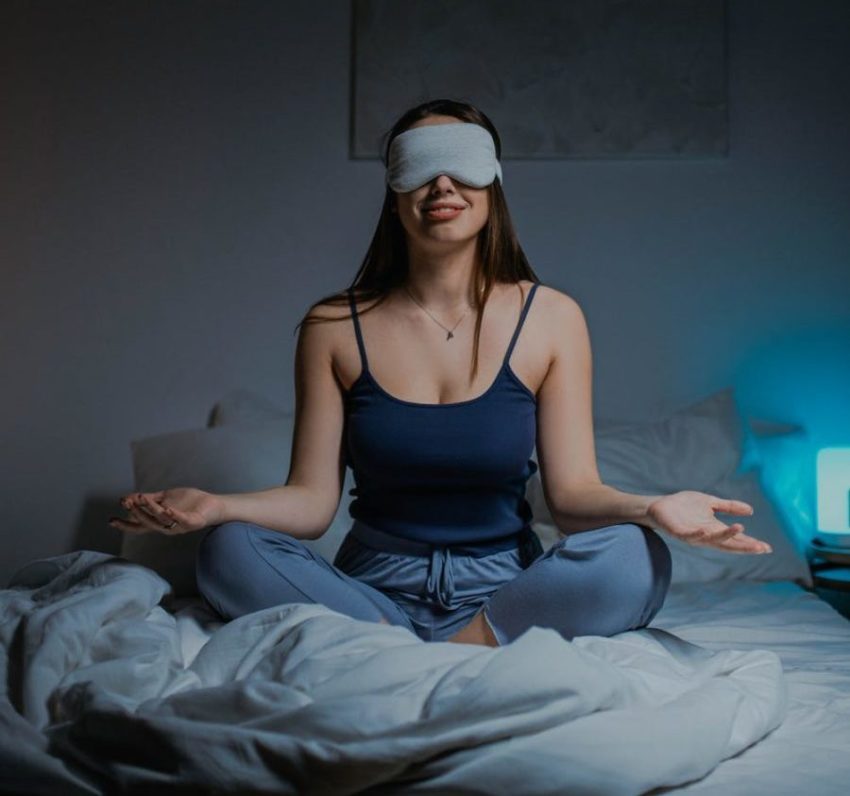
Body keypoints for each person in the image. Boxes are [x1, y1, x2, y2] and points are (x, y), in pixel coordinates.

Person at [110, 99, 773, 647]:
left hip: (508, 592)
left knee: (638, 554)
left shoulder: (552, 318)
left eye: (462, 166)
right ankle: (400, 643)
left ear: (493, 186)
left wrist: (654, 506)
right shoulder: (333, 326)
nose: (443, 184)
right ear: (395, 196)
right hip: (368, 590)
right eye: (421, 169)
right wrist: (215, 505)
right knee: (228, 550)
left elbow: (571, 500)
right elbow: (312, 503)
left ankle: (446, 649)